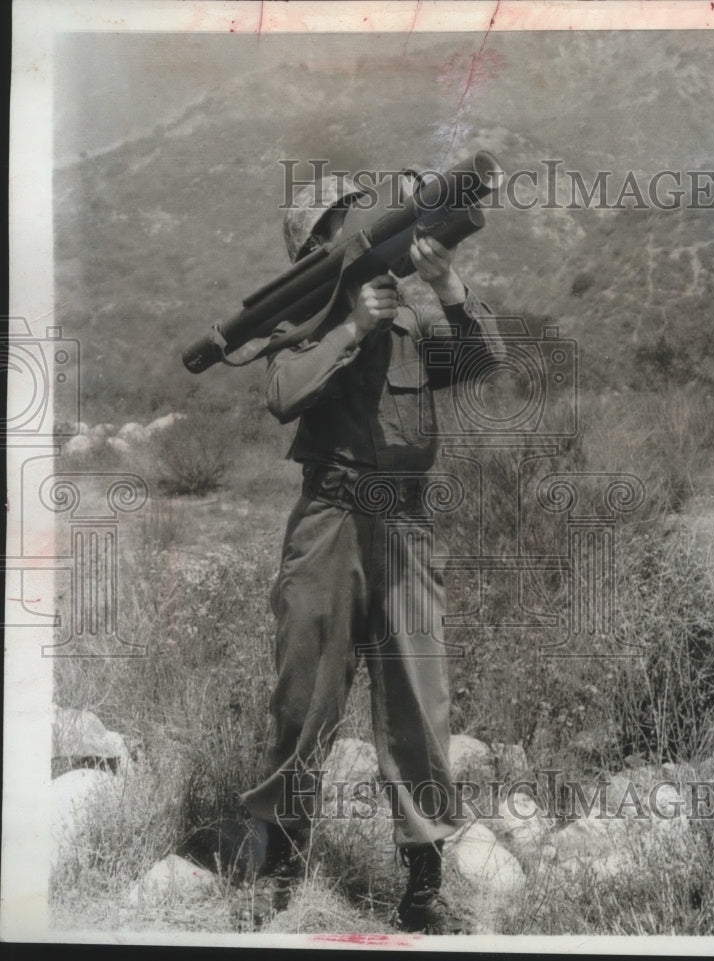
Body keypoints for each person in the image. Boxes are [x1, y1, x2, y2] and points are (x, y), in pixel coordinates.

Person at [237, 172, 505, 933]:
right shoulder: (309, 314)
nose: (369, 226)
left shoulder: (411, 312)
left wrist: (448, 286)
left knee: (420, 704)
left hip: (406, 524)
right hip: (331, 518)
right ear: (320, 242)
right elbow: (283, 393)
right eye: (350, 219)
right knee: (302, 699)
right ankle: (281, 865)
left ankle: (423, 883)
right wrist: (351, 327)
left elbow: (482, 366)